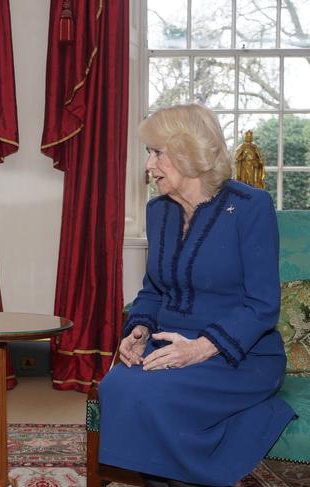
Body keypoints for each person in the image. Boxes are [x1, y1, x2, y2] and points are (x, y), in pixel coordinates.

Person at [97, 104, 296, 487]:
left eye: (157, 153)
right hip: (169, 348)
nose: (148, 165)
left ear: (188, 152)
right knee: (117, 386)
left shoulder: (251, 207)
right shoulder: (158, 211)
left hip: (239, 354)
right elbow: (154, 289)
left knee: (153, 398)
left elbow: (262, 306)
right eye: (148, 153)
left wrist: (201, 348)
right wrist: (138, 330)